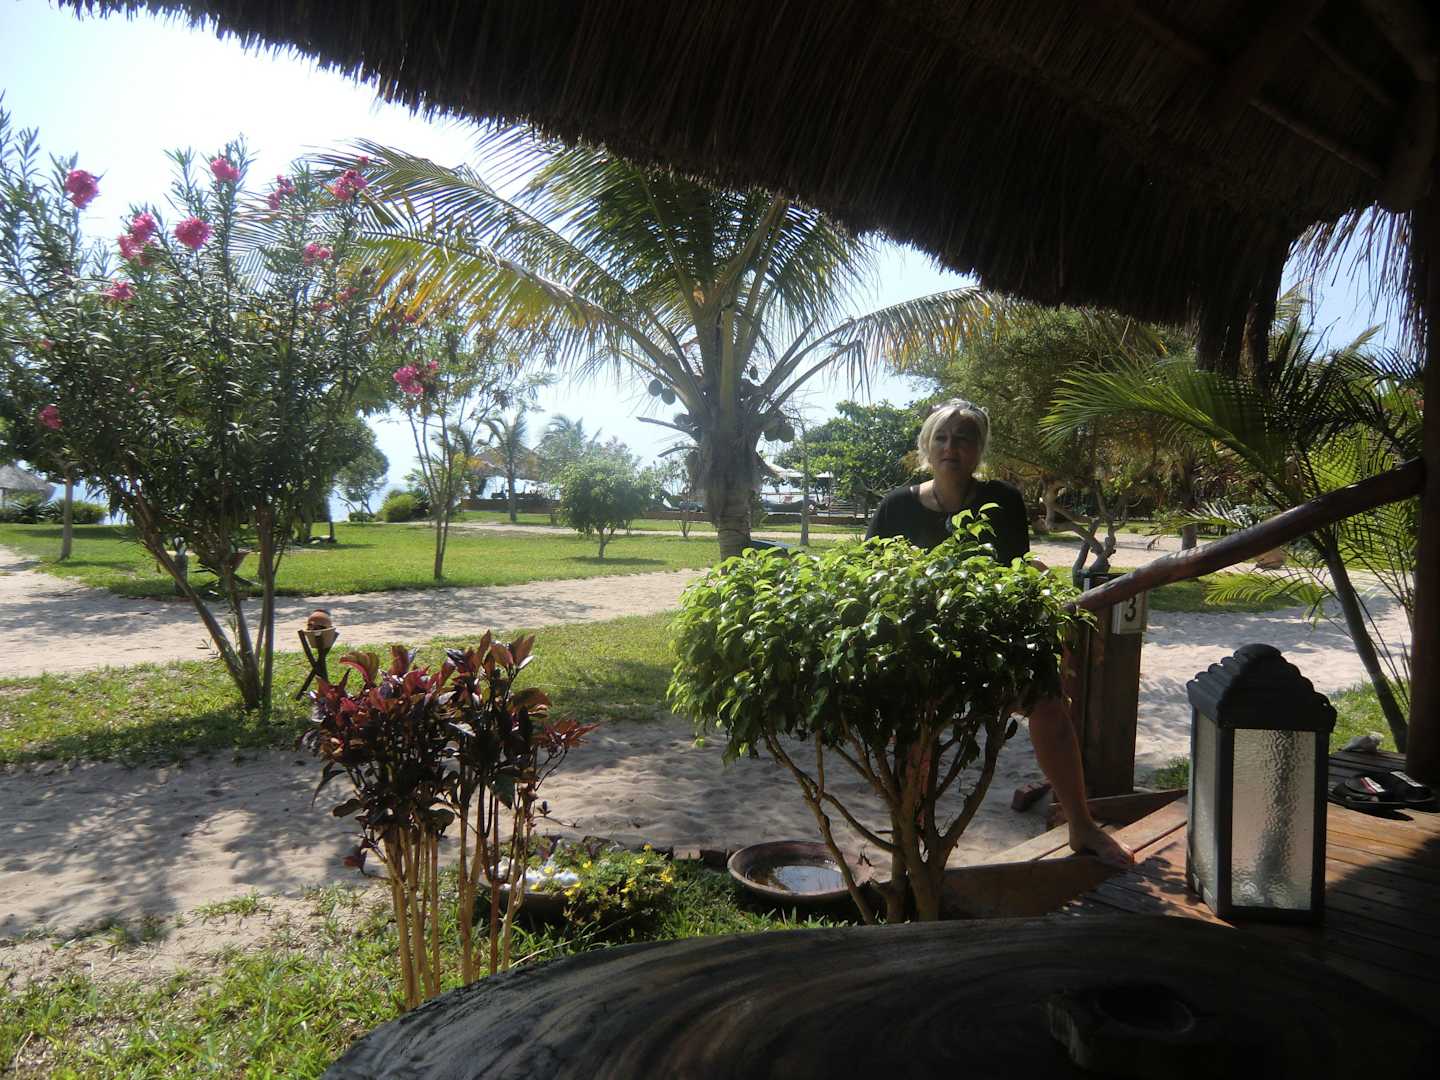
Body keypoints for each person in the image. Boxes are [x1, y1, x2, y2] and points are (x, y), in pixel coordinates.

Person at [866, 398, 1135, 868]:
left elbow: (1013, 576)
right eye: (941, 438)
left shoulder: (1003, 501)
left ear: (979, 449)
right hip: (923, 651)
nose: (951, 447)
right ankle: (912, 842)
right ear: (927, 446)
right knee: (915, 725)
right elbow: (867, 581)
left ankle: (1081, 825)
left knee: (1048, 706)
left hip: (990, 644)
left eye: (963, 438)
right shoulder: (896, 507)